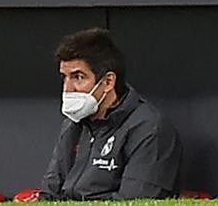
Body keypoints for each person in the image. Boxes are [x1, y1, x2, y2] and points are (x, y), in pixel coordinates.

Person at [39, 28, 183, 199]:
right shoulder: (73, 125)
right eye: (65, 77)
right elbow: (49, 194)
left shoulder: (150, 129)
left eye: (78, 77)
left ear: (108, 82)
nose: (68, 89)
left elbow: (135, 202)